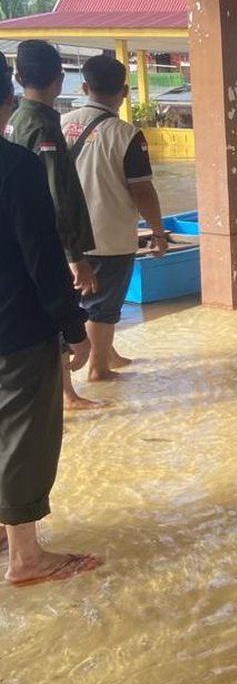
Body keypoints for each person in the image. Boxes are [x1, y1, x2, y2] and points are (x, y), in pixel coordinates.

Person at [0, 52, 101, 585]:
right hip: (16, 326)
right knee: (23, 435)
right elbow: (41, 258)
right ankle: (27, 558)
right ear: (8, 99)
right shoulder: (16, 166)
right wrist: (72, 325)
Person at [62, 54, 167, 381]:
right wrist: (158, 231)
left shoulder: (58, 124)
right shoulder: (127, 134)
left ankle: (105, 351)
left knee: (76, 301)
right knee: (103, 307)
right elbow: (143, 192)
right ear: (124, 91)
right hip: (108, 237)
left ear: (84, 86)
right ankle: (98, 369)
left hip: (66, 239)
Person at [6, 39, 98, 411]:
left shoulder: (15, 121)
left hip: (25, 243)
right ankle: (66, 393)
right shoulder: (41, 125)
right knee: (59, 308)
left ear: (17, 76)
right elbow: (56, 195)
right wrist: (74, 253)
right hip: (52, 241)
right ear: (61, 80)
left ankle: (65, 391)